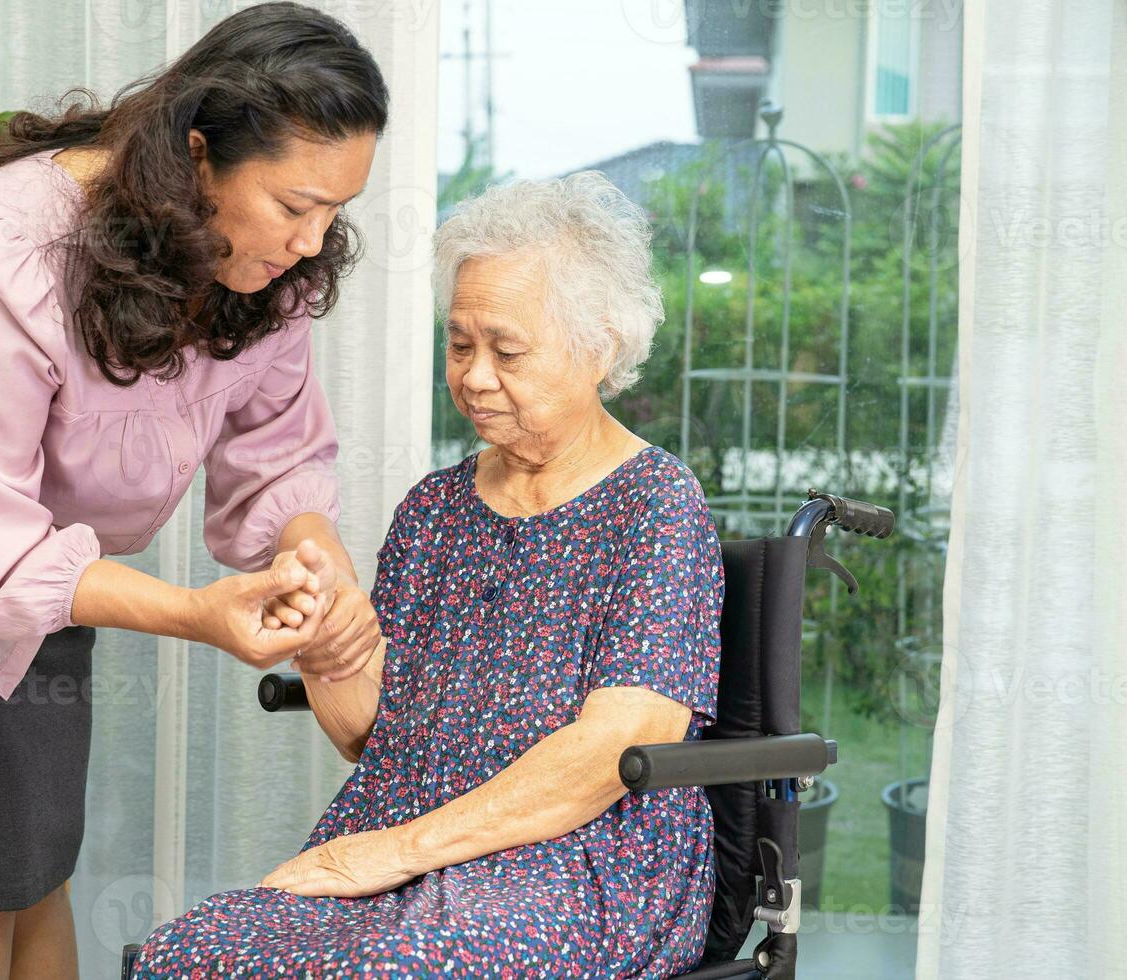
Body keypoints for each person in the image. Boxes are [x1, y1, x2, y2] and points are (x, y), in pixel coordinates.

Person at [0, 5, 387, 978]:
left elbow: (276, 451)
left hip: (42, 542)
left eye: (334, 213)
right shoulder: (7, 248)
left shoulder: (267, 271)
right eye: (294, 205)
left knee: (36, 857)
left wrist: (319, 564)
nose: (312, 244)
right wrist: (198, 613)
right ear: (197, 156)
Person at [132, 172, 726, 978]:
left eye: (506, 350)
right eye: (461, 344)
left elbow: (617, 750)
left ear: (600, 347)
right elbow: (371, 735)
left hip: (580, 864)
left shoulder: (656, 504)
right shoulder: (436, 508)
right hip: (402, 841)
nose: (475, 375)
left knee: (397, 963)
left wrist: (398, 853)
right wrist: (325, 633)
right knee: (190, 952)